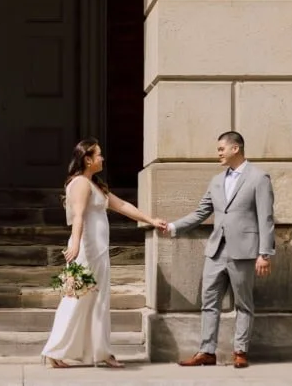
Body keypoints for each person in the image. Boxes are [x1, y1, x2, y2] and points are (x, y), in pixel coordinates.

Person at [41, 137, 167, 368]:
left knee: (98, 301)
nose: (102, 158)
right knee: (76, 300)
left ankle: (102, 352)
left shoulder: (95, 184)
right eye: (98, 154)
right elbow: (79, 215)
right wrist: (76, 245)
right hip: (86, 252)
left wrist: (150, 219)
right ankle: (53, 351)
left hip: (98, 252)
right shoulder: (80, 183)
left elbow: (122, 206)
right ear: (87, 159)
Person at [160, 131, 274, 369]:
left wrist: (264, 254)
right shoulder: (216, 180)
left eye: (221, 149)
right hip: (216, 251)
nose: (218, 154)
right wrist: (173, 227)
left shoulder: (259, 177)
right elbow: (200, 213)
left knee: (243, 303)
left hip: (244, 251)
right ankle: (207, 351)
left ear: (235, 148)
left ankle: (240, 351)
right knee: (209, 301)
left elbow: (266, 218)